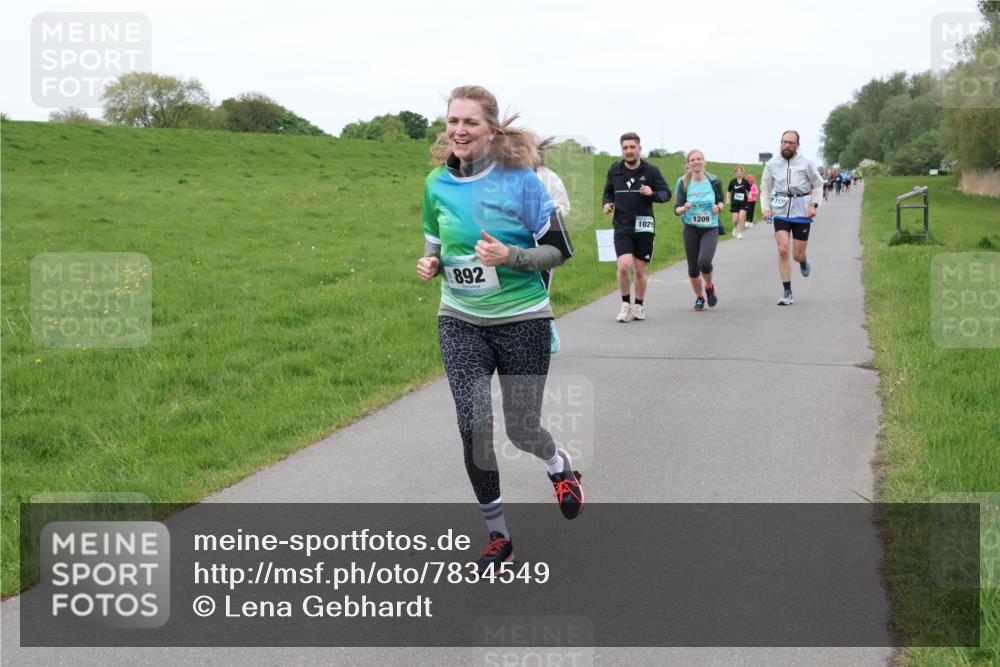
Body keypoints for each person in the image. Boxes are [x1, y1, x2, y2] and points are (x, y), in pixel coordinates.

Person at [417, 85, 583, 573]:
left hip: (523, 320)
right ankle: (499, 536)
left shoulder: (520, 181)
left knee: (522, 427)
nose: (459, 130)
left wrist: (511, 256)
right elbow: (435, 241)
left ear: (490, 129)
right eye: (453, 121)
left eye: (470, 122)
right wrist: (431, 262)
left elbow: (560, 250)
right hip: (460, 320)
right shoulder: (435, 184)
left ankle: (558, 465)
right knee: (473, 427)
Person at [602, 132, 672, 322]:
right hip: (622, 227)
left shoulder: (651, 171)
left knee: (640, 270)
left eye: (632, 147)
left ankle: (639, 305)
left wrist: (652, 193)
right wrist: (607, 204)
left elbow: (666, 194)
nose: (629, 151)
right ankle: (626, 304)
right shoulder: (614, 170)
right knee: (624, 266)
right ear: (622, 150)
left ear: (639, 149)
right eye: (625, 148)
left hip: (644, 227)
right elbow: (608, 193)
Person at [760, 130, 825, 305]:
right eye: (784, 142)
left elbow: (818, 185)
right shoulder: (772, 165)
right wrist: (766, 209)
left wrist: (814, 205)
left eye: (790, 142)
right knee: (782, 249)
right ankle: (787, 292)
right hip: (780, 211)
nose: (786, 145)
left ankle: (803, 259)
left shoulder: (806, 164)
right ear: (780, 143)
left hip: (802, 211)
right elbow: (765, 189)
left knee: (796, 255)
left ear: (797, 145)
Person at [674, 150, 725, 310]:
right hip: (691, 228)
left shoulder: (714, 180)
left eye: (699, 159)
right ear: (688, 163)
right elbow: (676, 208)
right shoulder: (683, 182)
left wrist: (718, 208)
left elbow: (721, 201)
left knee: (704, 262)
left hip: (710, 228)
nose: (696, 162)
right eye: (692, 159)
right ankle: (699, 297)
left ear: (704, 161)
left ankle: (709, 286)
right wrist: (683, 208)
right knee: (693, 268)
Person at [533, 137, 570, 353]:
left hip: (544, 244)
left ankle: (548, 329)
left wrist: (549, 209)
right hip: (519, 244)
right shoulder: (511, 177)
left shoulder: (551, 178)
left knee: (542, 288)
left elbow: (564, 207)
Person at [726, 167, 751, 239]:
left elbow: (749, 190)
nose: (738, 173)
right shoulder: (732, 181)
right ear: (735, 173)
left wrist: (749, 195)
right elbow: (728, 191)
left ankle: (740, 233)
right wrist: (728, 199)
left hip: (743, 203)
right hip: (734, 203)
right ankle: (735, 227)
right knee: (735, 220)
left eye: (740, 171)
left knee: (741, 218)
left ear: (742, 173)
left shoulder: (745, 182)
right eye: (737, 171)